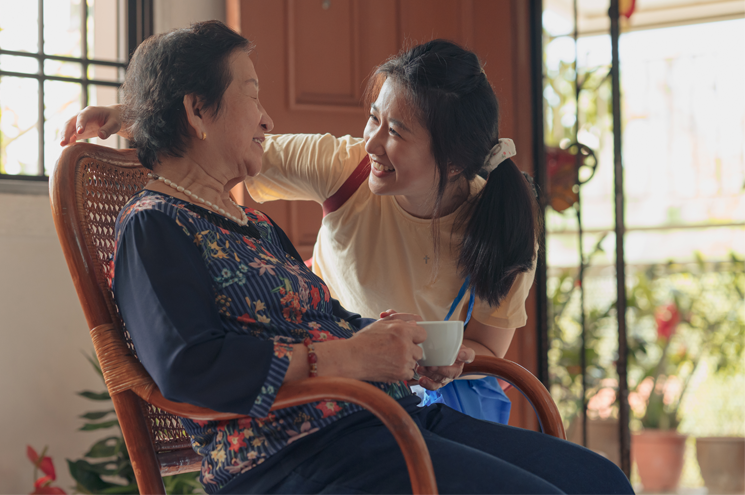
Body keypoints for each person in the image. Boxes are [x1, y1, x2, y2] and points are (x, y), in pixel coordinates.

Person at [99, 20, 633, 494]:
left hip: (375, 417)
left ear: (453, 159)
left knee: (598, 481)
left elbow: (323, 321)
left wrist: (393, 342)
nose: (266, 120)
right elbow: (188, 368)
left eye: (396, 130)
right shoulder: (157, 223)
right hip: (293, 451)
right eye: (253, 96)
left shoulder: (250, 225)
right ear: (196, 110)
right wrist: (353, 357)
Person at [63, 33, 539, 426]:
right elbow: (226, 142)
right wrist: (134, 117)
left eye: (396, 132)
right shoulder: (342, 167)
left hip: (405, 394)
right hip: (341, 407)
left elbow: (486, 348)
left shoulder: (503, 226)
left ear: (454, 160)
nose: (370, 141)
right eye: (374, 117)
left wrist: (423, 355)